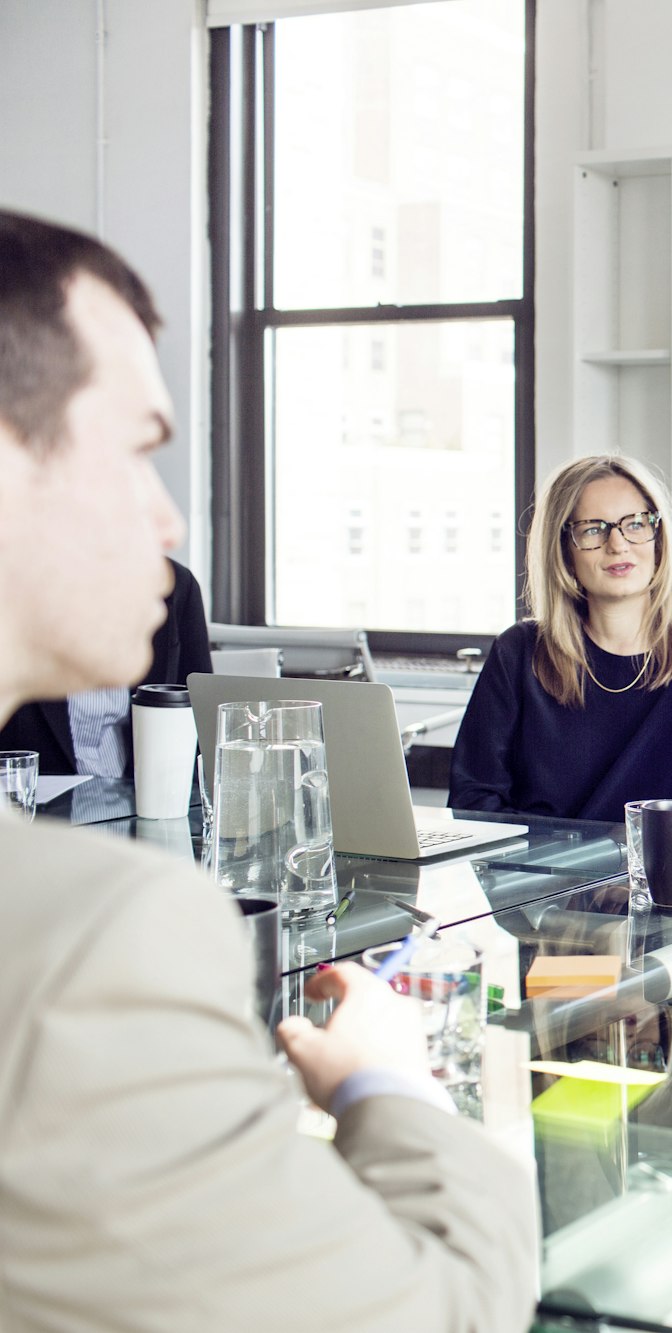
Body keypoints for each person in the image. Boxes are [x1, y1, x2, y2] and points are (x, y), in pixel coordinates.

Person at [0, 211, 536, 1327]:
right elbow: (447, 1309)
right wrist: (386, 1079)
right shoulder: (94, 937)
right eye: (138, 448)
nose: (170, 514)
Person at [449, 453, 672, 833]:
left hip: (669, 885)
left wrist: (641, 862)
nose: (618, 544)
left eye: (635, 524)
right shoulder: (519, 653)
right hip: (545, 885)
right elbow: (474, 803)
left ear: (658, 538)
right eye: (593, 529)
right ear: (563, 550)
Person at [0, 554, 211, 779]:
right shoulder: (15, 582)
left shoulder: (174, 583)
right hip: (33, 801)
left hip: (145, 796)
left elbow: (202, 720)